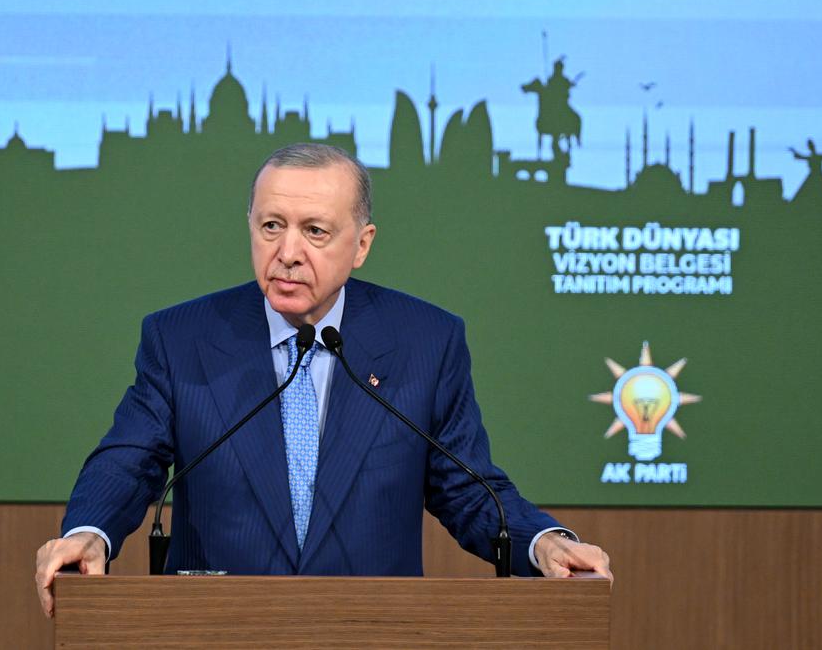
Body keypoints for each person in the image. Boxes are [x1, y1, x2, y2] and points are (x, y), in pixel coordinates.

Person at [35, 143, 611, 616]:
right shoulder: (180, 338)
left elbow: (466, 486)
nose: (287, 253)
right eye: (271, 226)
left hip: (375, 630)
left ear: (361, 245)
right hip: (216, 627)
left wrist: (544, 544)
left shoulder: (426, 342)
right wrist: (90, 532)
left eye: (314, 231)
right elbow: (128, 462)